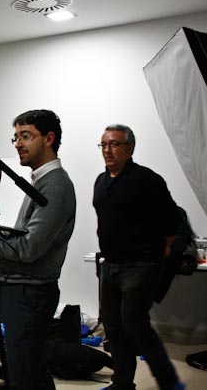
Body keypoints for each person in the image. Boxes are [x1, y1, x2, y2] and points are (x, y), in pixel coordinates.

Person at [0, 109, 76, 390]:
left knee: (24, 372)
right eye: (16, 138)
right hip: (23, 290)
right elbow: (26, 238)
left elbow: (28, 248)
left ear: (49, 138)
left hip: (30, 292)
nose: (18, 144)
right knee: (31, 367)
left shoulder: (55, 186)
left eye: (26, 136)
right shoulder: (41, 181)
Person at [93, 124, 185, 390]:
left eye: (114, 144)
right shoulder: (101, 180)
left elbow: (172, 220)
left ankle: (170, 383)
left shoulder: (146, 179)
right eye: (103, 145)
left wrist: (164, 248)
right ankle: (122, 383)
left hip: (140, 265)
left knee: (135, 325)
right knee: (113, 327)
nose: (107, 150)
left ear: (129, 148)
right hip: (110, 265)